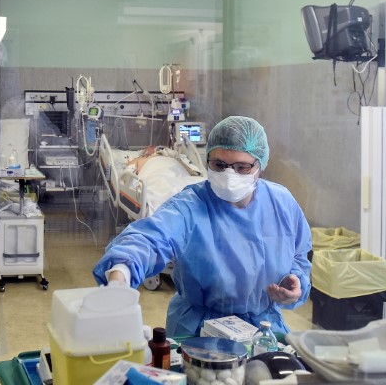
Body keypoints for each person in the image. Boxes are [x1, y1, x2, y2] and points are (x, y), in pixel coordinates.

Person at [93, 116, 312, 338]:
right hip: (199, 331)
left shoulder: (281, 204)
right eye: (219, 165)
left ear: (260, 166)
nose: (229, 175)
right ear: (208, 160)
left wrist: (295, 282)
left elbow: (299, 256)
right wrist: (121, 273)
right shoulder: (189, 206)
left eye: (242, 167)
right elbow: (150, 238)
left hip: (264, 329)